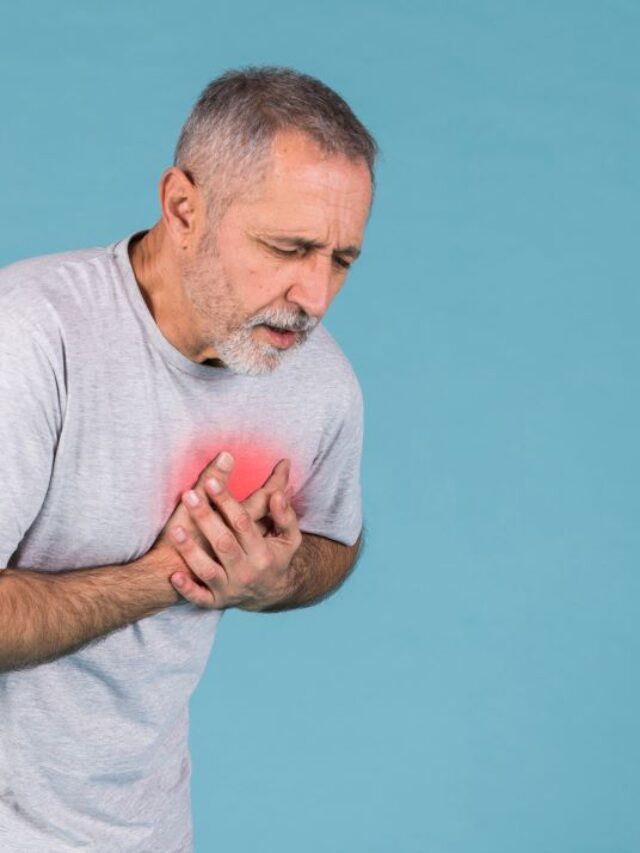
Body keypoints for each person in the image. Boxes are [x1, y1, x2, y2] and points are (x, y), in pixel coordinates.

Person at [0, 66, 377, 851]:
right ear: (182, 208)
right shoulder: (33, 336)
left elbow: (335, 544)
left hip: (150, 826)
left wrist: (277, 576)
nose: (314, 294)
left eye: (341, 260)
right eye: (289, 247)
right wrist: (164, 576)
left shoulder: (321, 381)